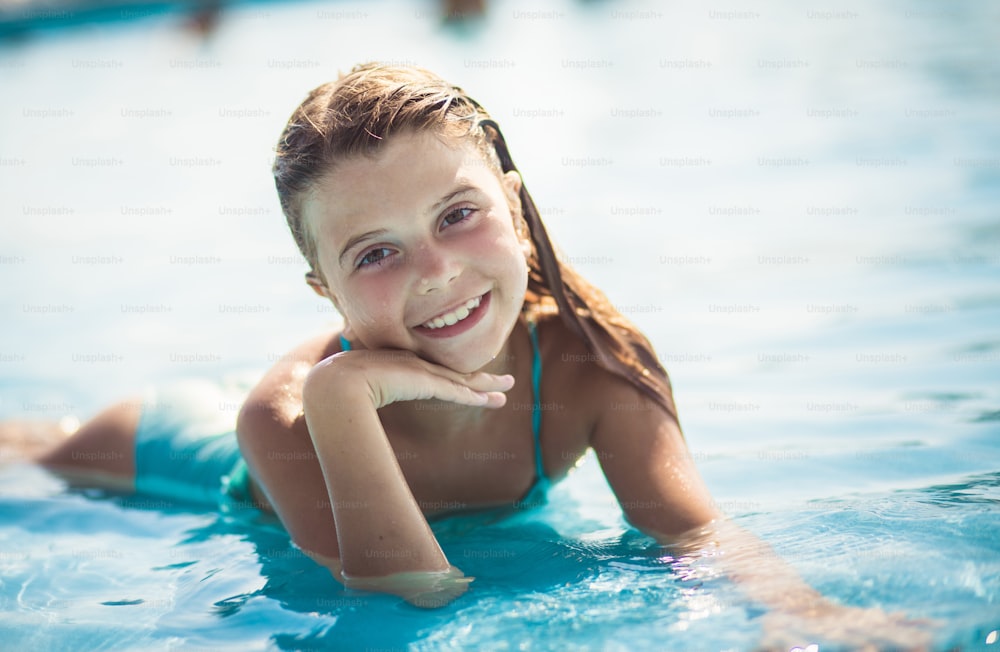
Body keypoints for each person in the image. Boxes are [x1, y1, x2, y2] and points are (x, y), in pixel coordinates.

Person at [5, 63, 928, 648]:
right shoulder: (280, 416)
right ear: (323, 290)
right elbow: (408, 593)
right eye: (376, 253)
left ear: (517, 211)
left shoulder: (591, 364)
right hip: (179, 446)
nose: (437, 273)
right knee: (29, 453)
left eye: (457, 215)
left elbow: (692, 533)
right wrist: (338, 398)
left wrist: (800, 611)